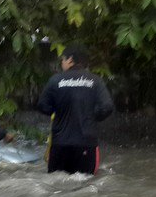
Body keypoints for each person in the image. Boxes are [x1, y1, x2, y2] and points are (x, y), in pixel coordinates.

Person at [38, 45, 114, 175]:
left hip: (60, 144)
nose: (62, 63)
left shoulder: (55, 80)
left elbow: (42, 106)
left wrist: (58, 112)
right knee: (87, 185)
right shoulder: (95, 81)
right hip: (86, 144)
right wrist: (91, 116)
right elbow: (107, 107)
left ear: (70, 60)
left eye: (63, 59)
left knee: (56, 185)